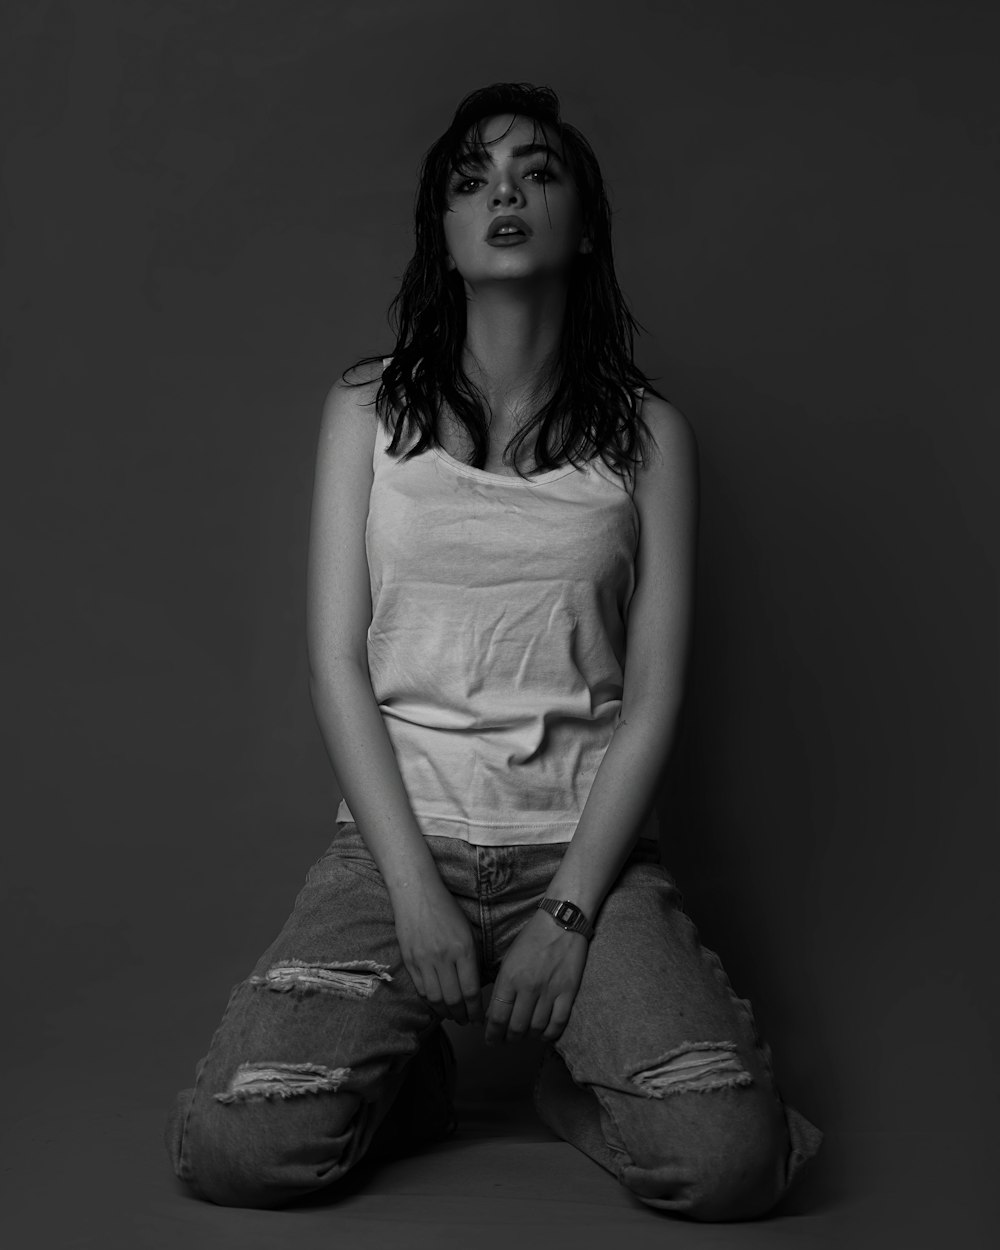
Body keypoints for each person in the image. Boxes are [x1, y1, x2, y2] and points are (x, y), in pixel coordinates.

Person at [165, 81, 822, 1219]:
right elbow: (336, 662)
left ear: (582, 220)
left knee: (728, 1160)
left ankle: (577, 1085)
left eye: (536, 172)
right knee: (239, 1151)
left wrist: (568, 915)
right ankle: (408, 1082)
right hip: (392, 851)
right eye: (473, 180)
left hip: (584, 856)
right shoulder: (365, 409)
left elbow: (655, 695)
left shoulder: (651, 437)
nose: (505, 192)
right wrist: (416, 894)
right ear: (445, 235)